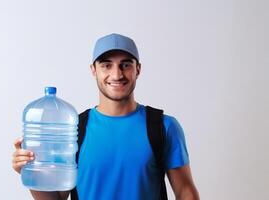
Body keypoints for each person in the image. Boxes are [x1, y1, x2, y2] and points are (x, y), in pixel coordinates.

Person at [12, 33, 200, 200]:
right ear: (94, 70)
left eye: (125, 65)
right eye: (106, 65)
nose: (116, 74)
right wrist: (30, 173)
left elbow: (185, 191)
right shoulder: (75, 130)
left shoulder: (163, 126)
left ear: (138, 70)